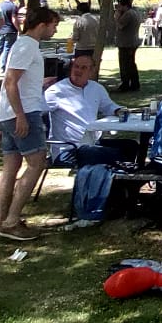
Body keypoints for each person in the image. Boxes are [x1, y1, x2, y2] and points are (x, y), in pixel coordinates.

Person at [0, 6, 60, 241]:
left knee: (10, 167)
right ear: (42, 24)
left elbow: (20, 80)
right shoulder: (26, 45)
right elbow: (10, 82)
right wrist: (20, 115)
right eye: (54, 25)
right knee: (36, 163)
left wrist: (39, 84)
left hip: (10, 112)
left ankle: (1, 222)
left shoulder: (24, 45)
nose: (55, 30)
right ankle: (11, 222)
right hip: (22, 113)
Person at [41, 52, 127, 229]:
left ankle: (123, 196)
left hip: (93, 144)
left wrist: (118, 111)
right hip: (68, 149)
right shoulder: (56, 91)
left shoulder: (96, 88)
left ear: (92, 71)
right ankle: (118, 182)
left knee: (131, 147)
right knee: (111, 155)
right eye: (76, 67)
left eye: (83, 68)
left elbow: (108, 106)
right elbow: (36, 112)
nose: (78, 71)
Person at [113, 0, 144, 92]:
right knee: (131, 64)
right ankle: (134, 83)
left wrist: (117, 16)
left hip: (126, 43)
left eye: (119, 6)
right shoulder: (135, 13)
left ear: (124, 6)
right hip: (132, 42)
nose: (118, 8)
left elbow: (120, 25)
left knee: (125, 64)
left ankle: (125, 84)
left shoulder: (128, 14)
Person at [0, 0, 24, 73]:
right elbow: (14, 19)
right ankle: (4, 67)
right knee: (7, 49)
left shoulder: (0, 5)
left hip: (2, 30)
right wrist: (19, 30)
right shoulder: (13, 6)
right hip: (11, 30)